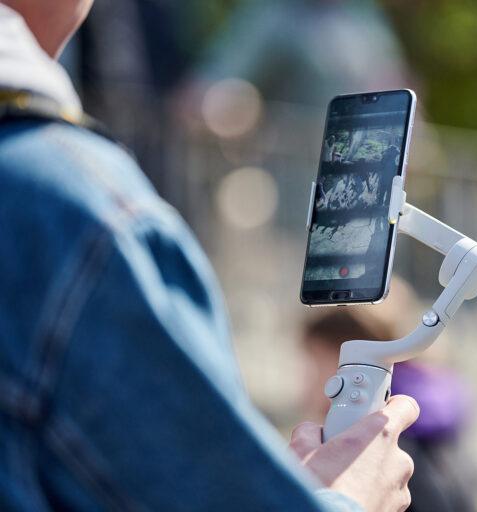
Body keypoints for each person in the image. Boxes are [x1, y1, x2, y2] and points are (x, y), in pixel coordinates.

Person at [0, 2, 419, 511]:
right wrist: (353, 499)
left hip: (356, 221)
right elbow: (209, 92)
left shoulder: (357, 20)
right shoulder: (84, 214)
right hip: (303, 218)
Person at [300, 280, 477, 512]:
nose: (305, 379)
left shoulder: (375, 451)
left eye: (313, 362)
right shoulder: (427, 413)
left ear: (352, 365)